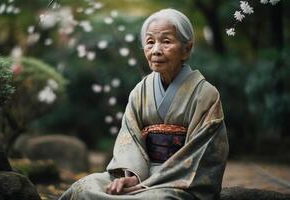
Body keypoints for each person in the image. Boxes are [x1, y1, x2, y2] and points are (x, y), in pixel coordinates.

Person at [59, 8, 229, 200]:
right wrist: (132, 176)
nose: (156, 50)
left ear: (186, 49)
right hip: (140, 172)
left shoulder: (205, 94)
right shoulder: (140, 91)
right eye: (150, 42)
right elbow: (129, 138)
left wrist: (148, 184)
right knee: (85, 186)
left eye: (166, 41)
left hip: (178, 181)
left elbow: (204, 154)